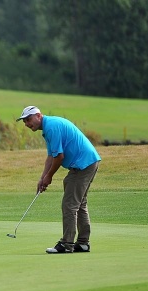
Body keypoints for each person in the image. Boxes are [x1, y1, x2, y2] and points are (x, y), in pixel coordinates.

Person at [17, 106, 101, 254]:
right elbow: (51, 156)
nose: (27, 124)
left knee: (70, 204)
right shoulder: (48, 127)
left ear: (38, 116)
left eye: (28, 120)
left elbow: (59, 157)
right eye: (24, 122)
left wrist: (49, 176)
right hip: (87, 162)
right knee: (79, 204)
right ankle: (82, 243)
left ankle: (67, 244)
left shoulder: (51, 127)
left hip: (83, 164)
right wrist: (43, 177)